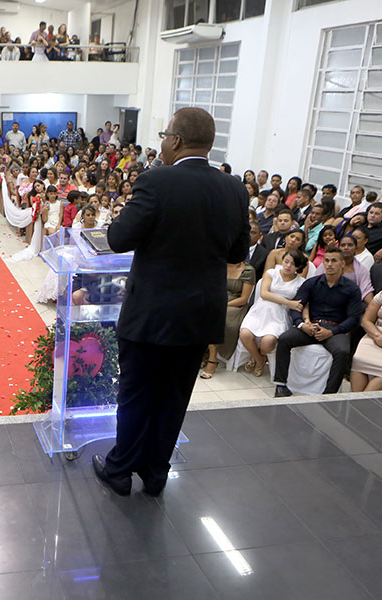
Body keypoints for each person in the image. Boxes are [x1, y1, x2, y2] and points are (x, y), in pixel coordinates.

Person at [93, 108, 250, 497]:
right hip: (199, 315)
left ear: (176, 140)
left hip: (151, 312)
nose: (162, 143)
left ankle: (120, 471)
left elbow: (118, 238)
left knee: (136, 393)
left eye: (164, 136)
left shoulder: (156, 180)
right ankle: (155, 473)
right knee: (174, 397)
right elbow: (237, 251)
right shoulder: (233, 188)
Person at [273, 248, 364, 397]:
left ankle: (329, 394)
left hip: (335, 329)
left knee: (342, 352)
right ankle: (281, 385)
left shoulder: (352, 288)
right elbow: (296, 306)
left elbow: (354, 318)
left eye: (334, 260)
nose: (329, 264)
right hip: (311, 326)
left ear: (342, 263)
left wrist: (332, 332)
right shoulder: (312, 283)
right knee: (284, 339)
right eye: (326, 260)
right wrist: (302, 324)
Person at [238, 251, 307, 377]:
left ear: (299, 266)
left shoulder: (301, 282)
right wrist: (288, 302)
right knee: (245, 334)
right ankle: (259, 360)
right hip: (261, 310)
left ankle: (260, 355)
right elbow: (264, 294)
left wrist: (293, 306)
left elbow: (300, 303)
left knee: (268, 342)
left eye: (293, 264)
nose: (288, 266)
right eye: (286, 261)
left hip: (279, 315)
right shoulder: (271, 273)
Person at [199, 261, 256, 379]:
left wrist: (223, 304)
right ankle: (203, 352)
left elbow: (243, 299)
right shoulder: (219, 265)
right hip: (217, 300)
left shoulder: (248, 271)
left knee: (214, 318)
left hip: (235, 305)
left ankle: (212, 359)